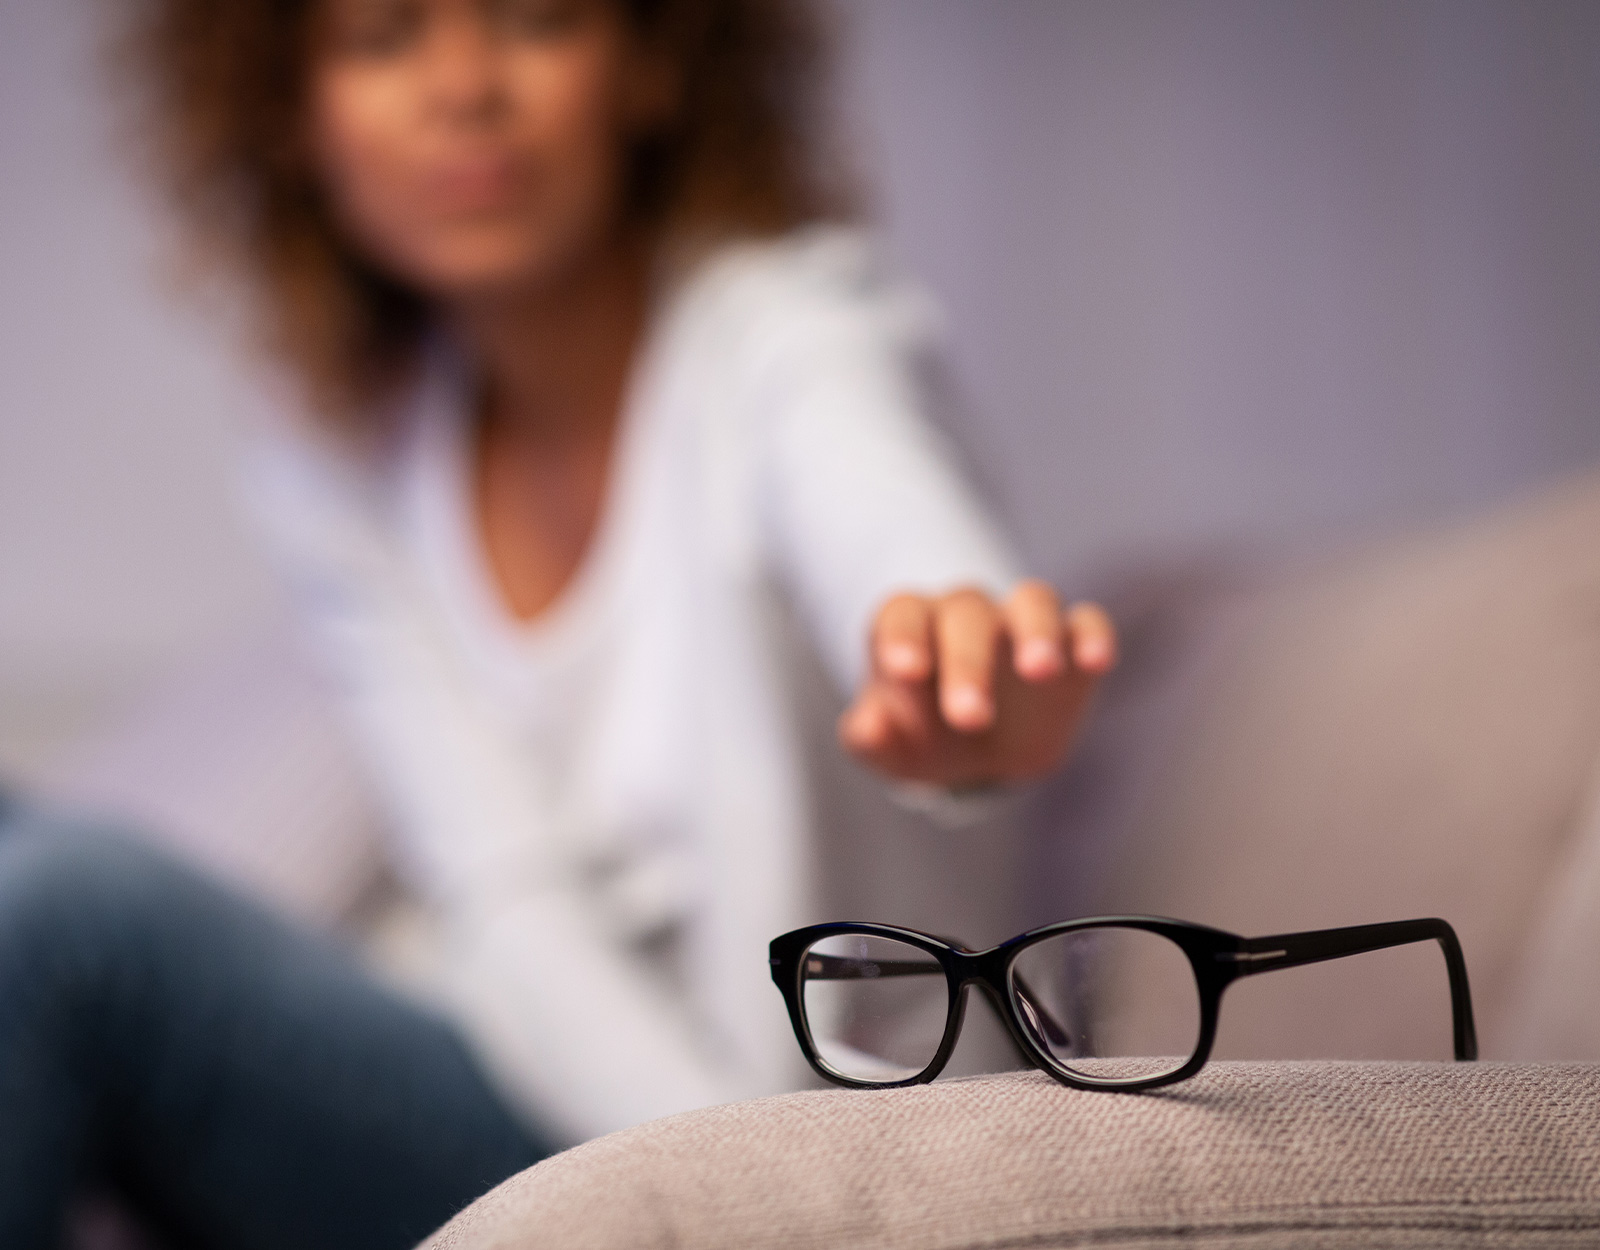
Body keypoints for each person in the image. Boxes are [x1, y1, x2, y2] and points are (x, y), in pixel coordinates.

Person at [0, 0, 1116, 1244]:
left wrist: (961, 665)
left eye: (536, 19)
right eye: (383, 38)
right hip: (567, 1086)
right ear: (295, 120)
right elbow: (507, 897)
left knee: (68, 914)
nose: (464, 87)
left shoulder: (788, 331)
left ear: (649, 63)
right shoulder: (343, 449)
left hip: (788, 1135)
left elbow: (891, 534)